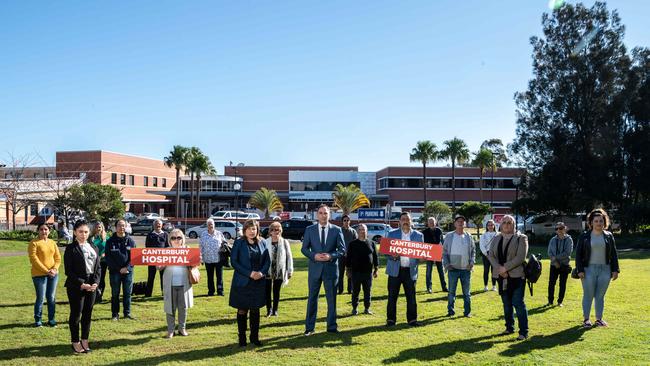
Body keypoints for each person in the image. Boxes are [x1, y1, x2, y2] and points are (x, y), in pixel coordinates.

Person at [301, 204, 346, 336]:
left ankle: (331, 326)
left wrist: (331, 256)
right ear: (317, 215)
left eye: (325, 213)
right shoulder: (309, 229)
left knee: (331, 300)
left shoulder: (337, 230)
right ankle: (309, 328)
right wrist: (313, 256)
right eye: (320, 213)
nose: (323, 215)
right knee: (312, 299)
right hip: (315, 270)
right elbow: (304, 249)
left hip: (331, 271)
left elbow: (342, 250)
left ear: (329, 215)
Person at [576, 208, 619, 328]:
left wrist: (615, 270)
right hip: (588, 269)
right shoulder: (584, 236)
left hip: (605, 269)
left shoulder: (609, 236)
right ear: (591, 223)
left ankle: (599, 319)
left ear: (604, 222)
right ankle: (586, 319)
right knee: (588, 294)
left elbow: (614, 254)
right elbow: (578, 254)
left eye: (601, 221)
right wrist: (580, 270)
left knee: (600, 295)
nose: (599, 223)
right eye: (596, 221)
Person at [488, 215, 529, 340]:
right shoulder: (496, 238)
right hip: (501, 276)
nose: (506, 224)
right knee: (506, 304)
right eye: (504, 222)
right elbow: (491, 255)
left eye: (509, 222)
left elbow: (520, 257)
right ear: (500, 225)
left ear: (514, 225)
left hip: (517, 276)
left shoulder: (521, 238)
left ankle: (523, 331)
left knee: (518, 303)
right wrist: (499, 269)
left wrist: (505, 268)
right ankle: (509, 327)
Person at [230, 220, 269, 346]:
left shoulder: (263, 242)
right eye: (249, 229)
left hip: (258, 282)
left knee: (255, 310)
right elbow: (234, 262)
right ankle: (242, 338)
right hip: (243, 282)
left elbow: (267, 261)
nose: (252, 231)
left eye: (254, 229)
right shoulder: (239, 243)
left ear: (257, 230)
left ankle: (254, 337)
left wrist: (261, 273)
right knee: (242, 310)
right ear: (244, 230)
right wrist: (250, 273)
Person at [64, 220, 101, 353]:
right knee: (76, 314)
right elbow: (68, 271)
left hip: (91, 284)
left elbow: (98, 267)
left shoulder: (93, 247)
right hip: (76, 285)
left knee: (88, 314)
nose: (83, 234)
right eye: (80, 232)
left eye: (86, 232)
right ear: (74, 232)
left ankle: (85, 340)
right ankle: (75, 342)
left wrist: (96, 282)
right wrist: (81, 283)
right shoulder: (70, 249)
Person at [385, 212, 423, 327]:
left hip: (410, 271)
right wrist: (393, 256)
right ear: (399, 221)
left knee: (411, 297)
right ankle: (391, 320)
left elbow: (421, 253)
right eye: (403, 219)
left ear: (411, 221)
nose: (405, 221)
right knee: (392, 296)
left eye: (407, 219)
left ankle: (412, 320)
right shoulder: (391, 234)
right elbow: (386, 252)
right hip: (395, 270)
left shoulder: (418, 235)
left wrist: (421, 258)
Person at [160, 229, 195, 338]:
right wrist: (165, 261)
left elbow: (196, 264)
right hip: (170, 283)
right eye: (173, 238)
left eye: (179, 237)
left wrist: (194, 262)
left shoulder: (187, 249)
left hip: (184, 283)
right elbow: (158, 267)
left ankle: (182, 328)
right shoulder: (166, 250)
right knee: (170, 307)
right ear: (169, 240)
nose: (176, 240)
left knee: (183, 307)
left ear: (183, 239)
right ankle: (170, 330)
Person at [442, 215, 476, 318]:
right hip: (453, 269)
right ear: (455, 223)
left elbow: (473, 251)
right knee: (452, 292)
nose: (460, 223)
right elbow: (444, 252)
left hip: (466, 269)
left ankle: (467, 312)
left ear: (464, 224)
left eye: (462, 221)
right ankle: (450, 311)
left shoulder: (469, 236)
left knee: (467, 293)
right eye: (458, 221)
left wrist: (472, 262)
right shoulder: (449, 236)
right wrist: (447, 265)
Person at [28, 223, 61, 327]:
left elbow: (58, 258)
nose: (44, 231)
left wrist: (54, 269)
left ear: (49, 231)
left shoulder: (52, 243)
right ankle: (38, 320)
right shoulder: (34, 243)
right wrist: (47, 271)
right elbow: (34, 260)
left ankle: (51, 319)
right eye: (41, 229)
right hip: (39, 275)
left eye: (46, 229)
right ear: (38, 231)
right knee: (41, 298)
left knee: (51, 297)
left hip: (53, 274)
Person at [105, 219, 136, 321]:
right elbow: (108, 258)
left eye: (123, 225)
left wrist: (127, 268)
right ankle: (115, 314)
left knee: (127, 293)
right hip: (115, 272)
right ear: (115, 227)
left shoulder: (131, 241)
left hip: (128, 272)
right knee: (115, 294)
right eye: (119, 225)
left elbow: (134, 258)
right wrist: (119, 269)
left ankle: (127, 313)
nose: (121, 227)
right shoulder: (110, 241)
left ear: (126, 227)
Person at [262, 221, 294, 317]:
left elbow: (289, 257)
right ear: (270, 231)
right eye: (274, 230)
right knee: (267, 291)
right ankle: (269, 310)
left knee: (276, 291)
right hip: (267, 270)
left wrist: (290, 270)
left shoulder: (284, 242)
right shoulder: (265, 242)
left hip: (280, 269)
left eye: (278, 230)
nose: (276, 232)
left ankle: (275, 310)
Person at [346, 224, 378, 315]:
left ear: (366, 231)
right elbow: (348, 258)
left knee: (367, 291)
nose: (362, 231)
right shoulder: (352, 244)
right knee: (355, 291)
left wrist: (376, 269)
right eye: (360, 229)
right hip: (356, 272)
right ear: (357, 231)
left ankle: (367, 308)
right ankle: (354, 308)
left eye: (363, 229)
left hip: (368, 272)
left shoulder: (371, 243)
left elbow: (375, 257)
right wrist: (348, 270)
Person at [547, 222, 574, 307]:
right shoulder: (552, 240)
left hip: (564, 265)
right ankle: (550, 301)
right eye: (557, 228)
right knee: (551, 283)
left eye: (561, 228)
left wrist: (556, 258)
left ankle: (560, 302)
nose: (559, 230)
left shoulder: (569, 240)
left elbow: (567, 253)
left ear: (565, 228)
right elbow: (549, 252)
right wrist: (554, 261)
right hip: (554, 265)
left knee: (562, 284)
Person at [199, 218, 227, 296]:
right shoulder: (203, 234)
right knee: (210, 276)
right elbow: (200, 246)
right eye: (209, 224)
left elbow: (225, 243)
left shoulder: (219, 234)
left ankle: (220, 291)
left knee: (219, 276)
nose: (210, 226)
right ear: (207, 226)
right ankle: (211, 291)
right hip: (208, 259)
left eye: (211, 224)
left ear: (214, 225)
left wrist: (224, 248)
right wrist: (200, 256)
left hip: (218, 258)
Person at [422, 217, 447, 293]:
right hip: (429, 252)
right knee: (429, 271)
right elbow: (422, 244)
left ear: (435, 222)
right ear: (428, 223)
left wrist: (442, 250)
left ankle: (444, 287)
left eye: (432, 222)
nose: (431, 223)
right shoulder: (424, 232)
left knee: (441, 271)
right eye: (430, 222)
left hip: (438, 252)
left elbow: (442, 242)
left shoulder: (439, 231)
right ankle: (429, 288)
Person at [145, 219, 169, 297]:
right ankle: (148, 293)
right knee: (151, 277)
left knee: (164, 277)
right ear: (153, 225)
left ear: (161, 225)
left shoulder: (165, 234)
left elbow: (167, 246)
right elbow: (147, 247)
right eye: (156, 224)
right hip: (152, 260)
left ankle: (164, 293)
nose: (158, 225)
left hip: (163, 260)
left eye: (159, 224)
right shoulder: (150, 235)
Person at [338, 214, 357, 295]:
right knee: (340, 273)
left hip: (350, 256)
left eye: (347, 220)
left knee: (350, 274)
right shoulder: (339, 231)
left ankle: (350, 290)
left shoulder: (353, 231)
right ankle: (340, 290)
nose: (346, 222)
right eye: (344, 220)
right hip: (341, 255)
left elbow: (355, 243)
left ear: (350, 221)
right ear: (342, 222)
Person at [91, 222, 108, 303]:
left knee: (101, 278)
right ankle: (94, 294)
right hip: (93, 261)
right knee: (93, 278)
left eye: (100, 227)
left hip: (103, 262)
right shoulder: (91, 238)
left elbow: (109, 249)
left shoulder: (106, 238)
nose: (98, 229)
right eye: (97, 227)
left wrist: (105, 254)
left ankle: (100, 295)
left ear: (102, 228)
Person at [479, 220, 498, 292]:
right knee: (486, 270)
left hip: (495, 255)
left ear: (494, 226)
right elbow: (481, 246)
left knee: (494, 271)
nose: (490, 226)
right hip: (486, 254)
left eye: (492, 225)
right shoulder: (483, 235)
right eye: (489, 225)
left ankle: (494, 286)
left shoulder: (497, 234)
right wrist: (486, 255)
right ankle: (486, 286)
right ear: (486, 226)